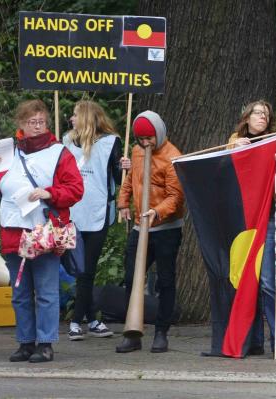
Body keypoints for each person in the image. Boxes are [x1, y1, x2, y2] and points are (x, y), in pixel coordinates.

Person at [0, 99, 83, 362]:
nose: (36, 126)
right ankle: (25, 342)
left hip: (43, 231)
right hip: (14, 231)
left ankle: (45, 343)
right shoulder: (6, 152)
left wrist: (50, 192)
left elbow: (76, 189)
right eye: (31, 122)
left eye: (40, 121)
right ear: (20, 124)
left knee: (46, 291)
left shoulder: (59, 153)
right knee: (20, 293)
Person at [115, 110, 184, 354]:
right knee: (132, 277)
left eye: (149, 139)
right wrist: (123, 202)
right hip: (139, 225)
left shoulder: (172, 156)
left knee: (165, 280)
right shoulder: (136, 151)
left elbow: (176, 196)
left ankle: (161, 333)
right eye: (141, 139)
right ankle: (132, 334)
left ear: (159, 133)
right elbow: (130, 179)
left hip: (165, 228)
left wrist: (157, 212)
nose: (145, 144)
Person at [229, 100, 276, 360]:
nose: (262, 117)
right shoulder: (234, 141)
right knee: (246, 281)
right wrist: (233, 148)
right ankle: (253, 341)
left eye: (266, 114)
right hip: (243, 223)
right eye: (258, 113)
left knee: (268, 282)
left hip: (270, 220)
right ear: (246, 118)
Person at [63, 100, 123, 341]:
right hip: (73, 213)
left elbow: (119, 178)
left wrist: (124, 167)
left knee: (86, 270)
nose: (71, 119)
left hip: (98, 213)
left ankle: (76, 322)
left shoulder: (111, 142)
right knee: (82, 271)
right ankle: (93, 320)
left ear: (86, 118)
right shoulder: (67, 142)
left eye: (75, 115)